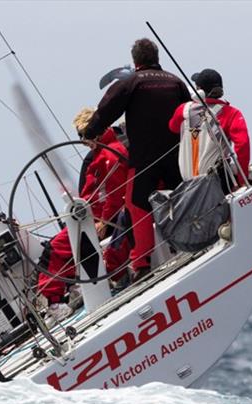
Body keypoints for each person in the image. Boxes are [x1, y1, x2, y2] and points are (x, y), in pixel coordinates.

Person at [82, 38, 191, 282]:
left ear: (135, 61)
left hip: (144, 160)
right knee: (179, 198)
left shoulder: (131, 82)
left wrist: (90, 132)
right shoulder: (176, 82)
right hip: (175, 155)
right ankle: (187, 245)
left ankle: (141, 263)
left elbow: (107, 109)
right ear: (157, 57)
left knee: (137, 207)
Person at [169, 68, 252, 257]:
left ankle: (234, 225)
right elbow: (243, 145)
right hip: (217, 180)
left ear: (198, 91)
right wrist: (240, 179)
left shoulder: (183, 111)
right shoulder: (229, 113)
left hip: (189, 183)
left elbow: (172, 126)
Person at [37, 107, 130, 320]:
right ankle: (63, 295)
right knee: (58, 249)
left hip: (96, 220)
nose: (82, 141)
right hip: (90, 217)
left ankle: (54, 302)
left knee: (54, 250)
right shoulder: (102, 153)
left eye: (83, 136)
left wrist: (103, 222)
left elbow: (114, 194)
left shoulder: (109, 154)